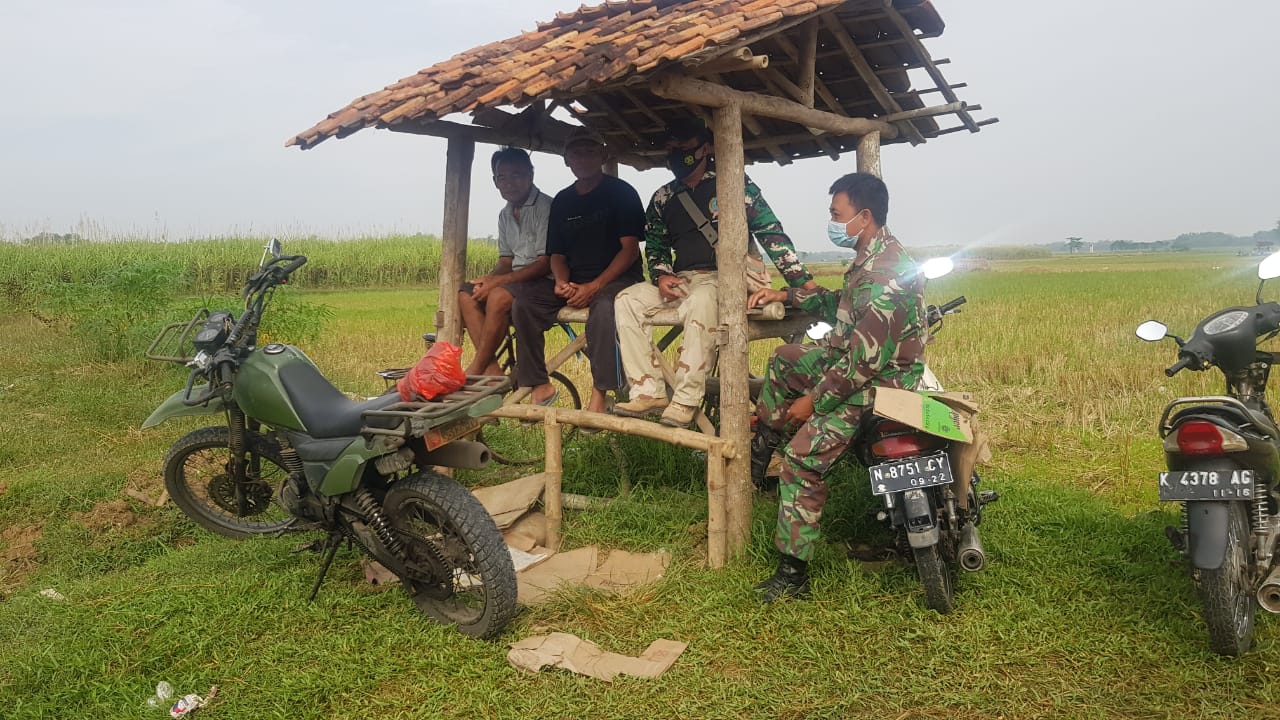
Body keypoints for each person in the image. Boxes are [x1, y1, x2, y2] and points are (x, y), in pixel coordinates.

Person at [744, 172, 929, 602]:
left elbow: (860, 366)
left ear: (863, 216)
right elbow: (838, 306)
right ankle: (760, 456)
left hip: (876, 386)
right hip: (852, 366)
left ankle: (793, 575)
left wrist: (812, 402)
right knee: (786, 359)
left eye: (836, 213)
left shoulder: (886, 273)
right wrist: (786, 297)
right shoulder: (869, 259)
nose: (831, 220)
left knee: (802, 460)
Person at [612, 118, 818, 427]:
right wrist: (661, 276)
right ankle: (649, 391)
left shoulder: (735, 186)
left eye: (683, 149)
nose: (676, 155)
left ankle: (685, 399)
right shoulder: (662, 198)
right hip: (684, 280)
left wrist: (803, 285)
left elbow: (772, 235)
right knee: (627, 300)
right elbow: (655, 247)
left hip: (727, 280)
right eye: (670, 150)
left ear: (704, 148)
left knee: (703, 299)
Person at [509, 127, 646, 414]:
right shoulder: (563, 200)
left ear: (602, 155)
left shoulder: (621, 193)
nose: (582, 158)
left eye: (590, 151)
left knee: (605, 307)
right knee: (524, 303)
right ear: (566, 159)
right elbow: (556, 254)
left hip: (618, 278)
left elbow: (630, 249)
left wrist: (594, 286)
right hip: (574, 279)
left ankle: (601, 393)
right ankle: (538, 384)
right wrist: (561, 282)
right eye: (576, 153)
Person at [458, 147, 552, 376]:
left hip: (546, 280)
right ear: (495, 181)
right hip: (518, 280)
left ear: (530, 175)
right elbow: (507, 261)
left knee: (499, 296)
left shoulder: (546, 207)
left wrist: (497, 283)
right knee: (466, 294)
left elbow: (545, 263)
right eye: (502, 177)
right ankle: (492, 370)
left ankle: (478, 367)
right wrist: (488, 279)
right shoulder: (505, 214)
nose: (509, 183)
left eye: (517, 175)